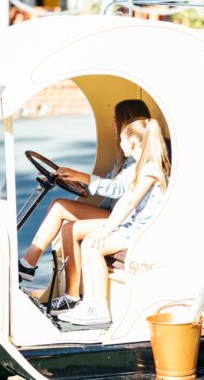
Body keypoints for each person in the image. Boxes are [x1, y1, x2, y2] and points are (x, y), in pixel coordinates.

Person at [19, 100, 150, 306]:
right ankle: (27, 265)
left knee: (71, 229)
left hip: (120, 218)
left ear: (127, 125)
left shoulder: (138, 161)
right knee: (59, 205)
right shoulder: (123, 158)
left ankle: (71, 295)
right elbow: (107, 181)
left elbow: (116, 188)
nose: (113, 126)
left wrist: (82, 176)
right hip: (109, 211)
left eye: (117, 121)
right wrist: (66, 178)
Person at [58, 117, 171, 325]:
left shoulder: (150, 170)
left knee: (93, 245)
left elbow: (128, 203)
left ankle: (99, 308)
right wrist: (105, 230)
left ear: (132, 143)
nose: (119, 145)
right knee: (91, 242)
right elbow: (122, 204)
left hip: (144, 231)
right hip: (133, 227)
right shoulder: (140, 168)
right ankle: (90, 303)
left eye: (121, 140)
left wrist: (106, 230)